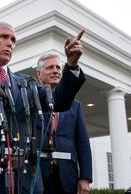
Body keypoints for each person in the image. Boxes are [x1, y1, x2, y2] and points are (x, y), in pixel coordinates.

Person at [0, 22, 86, 194]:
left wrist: (71, 65)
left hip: (23, 182)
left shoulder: (26, 83)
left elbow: (58, 101)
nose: (10, 43)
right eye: (4, 37)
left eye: (13, 39)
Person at [36, 53, 92, 194]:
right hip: (37, 176)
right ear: (39, 73)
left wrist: (85, 177)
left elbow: (83, 143)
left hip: (67, 176)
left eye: (58, 67)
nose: (55, 70)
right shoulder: (30, 101)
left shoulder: (75, 106)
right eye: (50, 67)